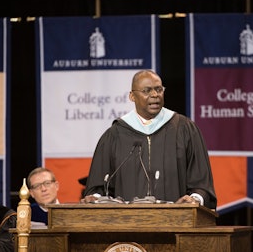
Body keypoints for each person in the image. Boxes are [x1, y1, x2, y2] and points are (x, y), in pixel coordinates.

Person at [81, 69, 217, 209]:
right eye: (147, 91)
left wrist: (194, 199)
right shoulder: (115, 135)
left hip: (176, 223)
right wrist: (96, 198)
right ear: (132, 96)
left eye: (159, 89)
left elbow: (201, 183)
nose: (155, 95)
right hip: (127, 225)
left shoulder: (184, 129)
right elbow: (98, 187)